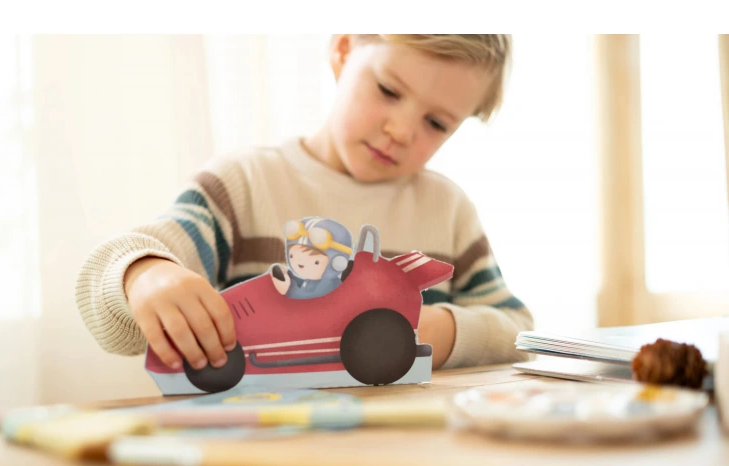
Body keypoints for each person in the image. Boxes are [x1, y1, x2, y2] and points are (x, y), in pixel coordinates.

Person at [75, 34, 533, 373]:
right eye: (389, 91)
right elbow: (111, 280)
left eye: (436, 123)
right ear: (343, 51)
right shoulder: (243, 184)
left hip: (405, 451)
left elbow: (519, 331)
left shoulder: (446, 208)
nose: (400, 130)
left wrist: (444, 332)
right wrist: (146, 275)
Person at [272, 217, 353, 299]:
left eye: (316, 262)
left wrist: (289, 289)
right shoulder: (315, 279)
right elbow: (302, 282)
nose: (299, 262)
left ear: (337, 263)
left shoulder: (328, 283)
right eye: (291, 256)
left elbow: (311, 300)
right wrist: (288, 275)